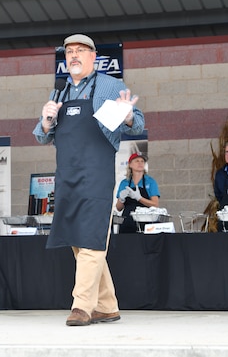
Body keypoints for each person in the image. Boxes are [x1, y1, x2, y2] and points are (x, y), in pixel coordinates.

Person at [33, 33, 145, 326]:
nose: (73, 56)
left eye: (80, 50)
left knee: (92, 238)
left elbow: (139, 124)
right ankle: (107, 307)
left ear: (93, 57)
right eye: (69, 51)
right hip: (67, 175)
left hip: (97, 175)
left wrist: (129, 116)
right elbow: (41, 135)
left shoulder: (110, 85)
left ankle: (82, 306)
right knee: (78, 241)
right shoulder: (59, 92)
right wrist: (46, 121)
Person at [115, 152, 160, 233]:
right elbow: (118, 208)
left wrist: (139, 198)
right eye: (137, 161)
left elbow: (155, 204)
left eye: (142, 161)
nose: (140, 163)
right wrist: (121, 199)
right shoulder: (124, 183)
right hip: (127, 222)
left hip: (146, 222)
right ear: (130, 165)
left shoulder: (150, 181)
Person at [214, 141, 228, 230]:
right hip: (224, 219)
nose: (227, 155)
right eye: (226, 152)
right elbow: (218, 194)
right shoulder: (220, 174)